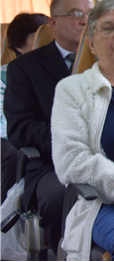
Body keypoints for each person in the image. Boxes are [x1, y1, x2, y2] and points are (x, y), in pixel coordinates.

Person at [50, 0, 114, 261]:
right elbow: (72, 161)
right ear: (91, 43)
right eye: (108, 28)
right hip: (111, 202)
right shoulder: (73, 90)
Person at [4, 0, 94, 252]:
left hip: (109, 156)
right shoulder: (24, 68)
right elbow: (20, 128)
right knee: (59, 198)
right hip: (51, 163)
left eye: (90, 14)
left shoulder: (110, 63)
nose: (84, 21)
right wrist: (70, 143)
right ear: (53, 23)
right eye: (75, 14)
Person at [0, 12, 49, 203]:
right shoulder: (5, 75)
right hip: (8, 135)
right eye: (40, 38)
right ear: (20, 46)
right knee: (14, 153)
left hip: (40, 136)